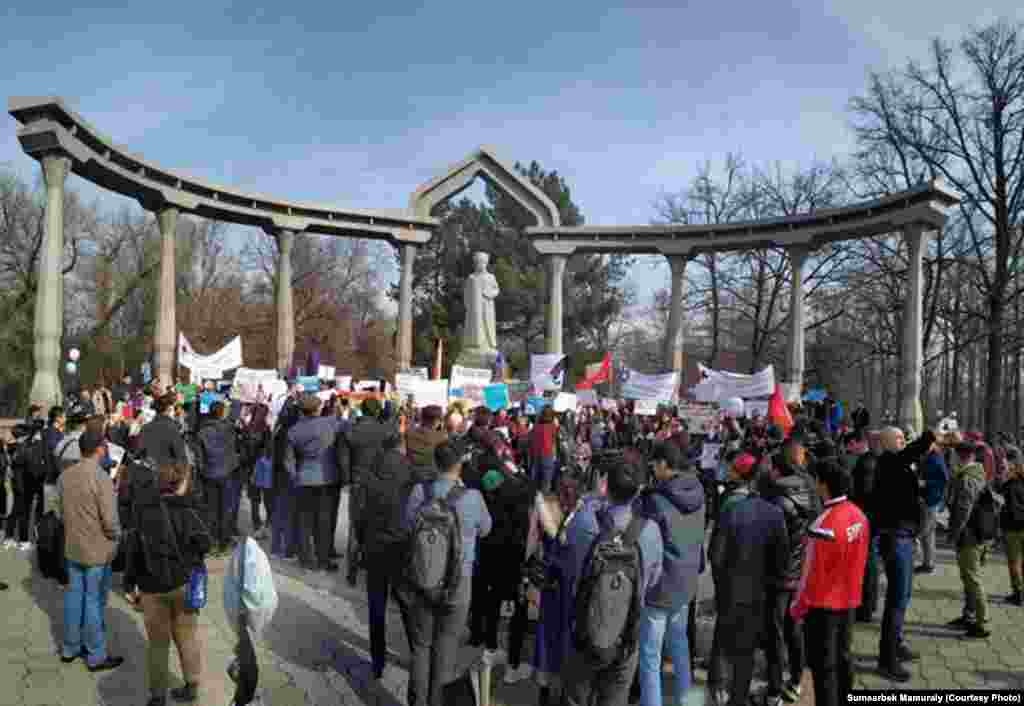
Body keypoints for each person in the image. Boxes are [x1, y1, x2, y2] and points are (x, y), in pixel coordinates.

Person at [398, 440, 492, 706]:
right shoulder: (472, 497)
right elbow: (486, 529)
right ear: (459, 464)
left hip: (423, 577)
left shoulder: (419, 491)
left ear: (435, 463)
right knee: (446, 649)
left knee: (421, 646)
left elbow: (407, 527)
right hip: (458, 582)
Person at [564, 460, 663, 706]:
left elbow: (571, 570)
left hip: (585, 625)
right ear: (638, 490)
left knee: (577, 696)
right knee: (616, 697)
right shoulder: (650, 531)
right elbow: (654, 580)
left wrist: (593, 499)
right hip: (626, 631)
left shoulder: (585, 523)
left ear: (605, 486)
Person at [708, 451, 788, 706]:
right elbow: (781, 560)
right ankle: (738, 697)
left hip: (732, 589)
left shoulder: (734, 509)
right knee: (746, 652)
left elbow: (717, 555)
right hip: (759, 593)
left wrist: (722, 585)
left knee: (725, 638)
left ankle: (720, 687)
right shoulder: (775, 514)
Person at [790, 461, 870, 706]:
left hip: (823, 605)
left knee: (824, 667)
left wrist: (797, 606)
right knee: (844, 657)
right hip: (849, 598)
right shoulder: (858, 515)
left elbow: (809, 575)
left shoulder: (822, 525)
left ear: (823, 485)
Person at [133, 462, 212, 706]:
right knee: (186, 636)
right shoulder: (189, 513)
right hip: (182, 583)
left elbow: (133, 551)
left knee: (157, 645)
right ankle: (191, 686)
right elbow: (205, 544)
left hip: (152, 587)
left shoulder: (144, 513)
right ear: (180, 485)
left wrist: (131, 584)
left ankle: (157, 697)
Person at [634, 442, 705, 706]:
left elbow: (644, 541)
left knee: (650, 656)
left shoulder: (655, 500)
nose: (652, 469)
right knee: (679, 644)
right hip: (686, 581)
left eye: (654, 464)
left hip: (660, 586)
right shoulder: (698, 491)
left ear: (664, 464)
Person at [869, 426, 935, 681]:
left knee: (903, 595)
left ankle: (895, 643)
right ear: (887, 443)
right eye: (898, 438)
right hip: (896, 538)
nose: (903, 440)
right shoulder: (889, 461)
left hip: (905, 535)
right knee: (896, 600)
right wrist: (930, 437)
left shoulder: (896, 464)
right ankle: (886, 660)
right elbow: (912, 451)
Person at [56, 428, 124, 671]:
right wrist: (117, 537)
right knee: (93, 601)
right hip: (97, 549)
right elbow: (110, 520)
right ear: (99, 449)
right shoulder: (101, 477)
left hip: (73, 545)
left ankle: (70, 647)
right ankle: (96, 654)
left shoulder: (65, 476)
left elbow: (61, 513)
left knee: (74, 597)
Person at [759, 439, 820, 706]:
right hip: (801, 571)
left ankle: (773, 693)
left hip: (778, 575)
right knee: (795, 629)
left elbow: (767, 540)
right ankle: (796, 681)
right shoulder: (810, 488)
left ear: (776, 469)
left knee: (775, 634)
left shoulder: (773, 497)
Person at [358, 432, 413, 679]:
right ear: (401, 448)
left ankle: (377, 661)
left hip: (375, 546)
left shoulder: (369, 475)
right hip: (401, 545)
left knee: (376, 605)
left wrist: (362, 543)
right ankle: (416, 653)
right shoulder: (411, 472)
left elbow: (359, 516)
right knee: (407, 603)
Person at [285, 394, 346, 573]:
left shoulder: (293, 431)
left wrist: (295, 476)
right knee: (324, 522)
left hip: (304, 479)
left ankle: (306, 559)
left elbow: (288, 460)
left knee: (305, 522)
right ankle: (323, 560)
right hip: (327, 478)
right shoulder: (330, 423)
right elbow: (348, 426)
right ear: (318, 409)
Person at [339, 397, 395, 583]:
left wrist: (346, 478)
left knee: (355, 527)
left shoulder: (353, 430)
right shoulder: (385, 430)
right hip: (379, 482)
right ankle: (371, 567)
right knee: (376, 526)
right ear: (377, 411)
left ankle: (352, 572)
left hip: (358, 482)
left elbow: (345, 458)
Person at [945, 440, 992, 638]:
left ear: (961, 456)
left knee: (972, 579)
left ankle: (982, 623)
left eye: (955, 455)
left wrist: (954, 532)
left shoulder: (968, 477)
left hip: (970, 535)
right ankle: (969, 616)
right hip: (974, 532)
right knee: (968, 577)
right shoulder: (975, 472)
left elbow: (964, 510)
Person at [198, 401, 241, 556]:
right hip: (227, 473)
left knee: (211, 510)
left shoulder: (202, 432)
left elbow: (199, 457)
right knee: (226, 509)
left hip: (210, 474)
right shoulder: (229, 428)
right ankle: (224, 542)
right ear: (222, 413)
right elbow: (236, 410)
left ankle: (211, 543)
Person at [915, 434, 950, 574]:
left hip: (932, 499)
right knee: (928, 534)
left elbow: (944, 480)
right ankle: (928, 563)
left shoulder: (936, 458)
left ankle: (927, 562)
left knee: (924, 531)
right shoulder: (929, 456)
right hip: (928, 498)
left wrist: (925, 483)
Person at [1000, 446, 1024, 605]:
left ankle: (1018, 593)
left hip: (1013, 527)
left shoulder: (1010, 484)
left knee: (1014, 562)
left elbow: (1008, 505)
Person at [139, 394, 189, 468]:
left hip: (149, 471)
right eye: (174, 408)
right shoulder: (172, 428)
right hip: (167, 473)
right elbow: (181, 456)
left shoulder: (145, 427)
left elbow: (141, 452)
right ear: (169, 409)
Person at [530, 406, 559, 494]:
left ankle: (535, 497)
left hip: (536, 454)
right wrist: (554, 455)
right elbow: (554, 442)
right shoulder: (552, 427)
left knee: (536, 477)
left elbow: (532, 440)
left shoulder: (536, 426)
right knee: (546, 479)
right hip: (548, 454)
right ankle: (544, 498)